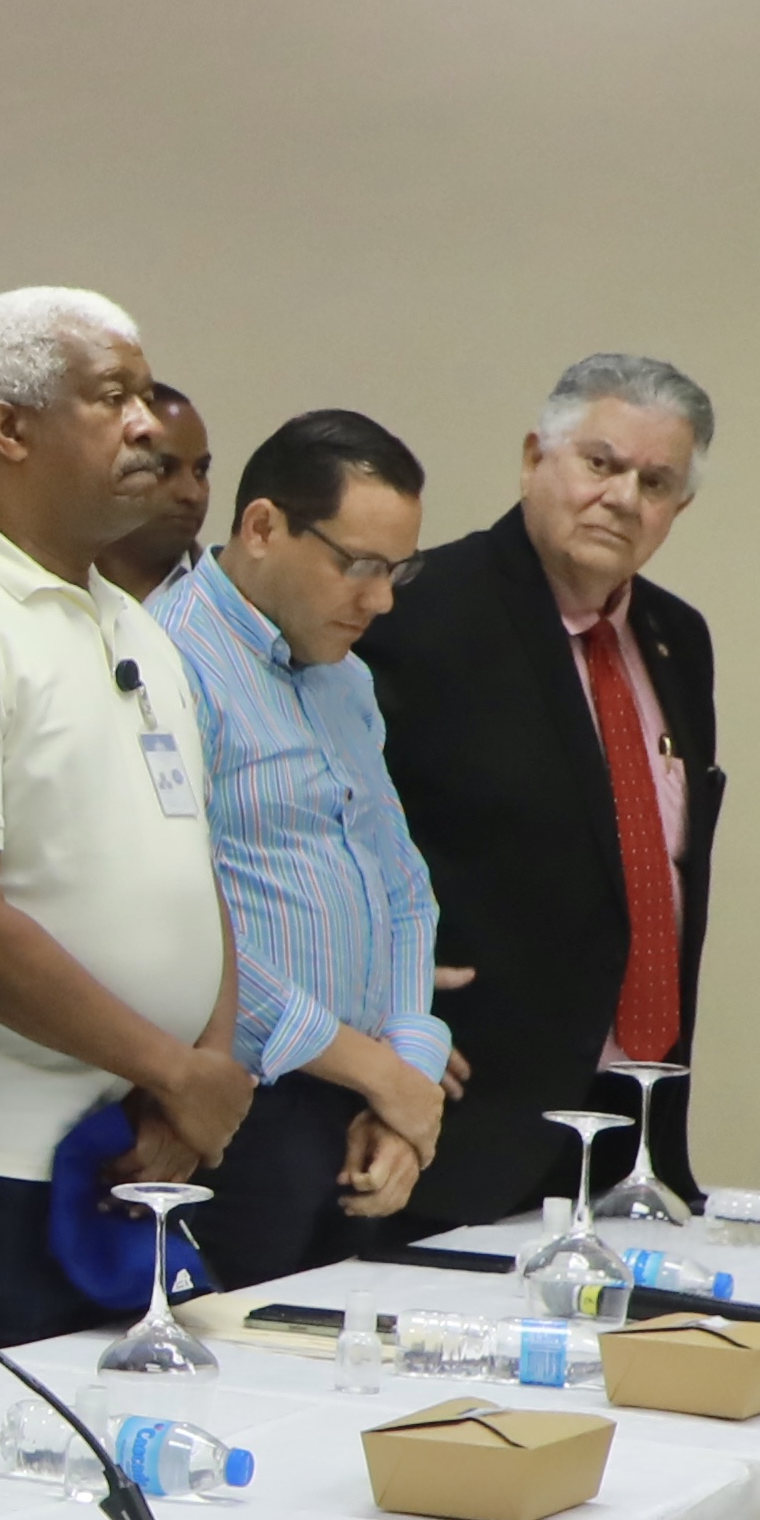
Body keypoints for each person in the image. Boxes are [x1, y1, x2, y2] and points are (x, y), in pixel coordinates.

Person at [0, 289, 239, 1357]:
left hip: (145, 1150)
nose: (148, 426)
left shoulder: (136, 625)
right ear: (10, 429)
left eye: (146, 395)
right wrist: (175, 1071)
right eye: (112, 397)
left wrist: (198, 1077)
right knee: (6, 1451)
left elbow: (191, 868)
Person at [365, 351, 721, 1228]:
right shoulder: (416, 614)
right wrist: (373, 1007)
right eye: (600, 463)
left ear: (678, 508)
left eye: (655, 482)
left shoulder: (678, 637)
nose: (623, 498)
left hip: (635, 1119)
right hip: (467, 1118)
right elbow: (339, 838)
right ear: (534, 459)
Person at [159, 411, 464, 1285]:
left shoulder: (345, 678)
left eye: (397, 569)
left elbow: (402, 887)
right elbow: (177, 925)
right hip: (236, 1110)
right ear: (262, 526)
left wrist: (404, 1074)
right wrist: (378, 1071)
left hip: (355, 1107)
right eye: (358, 565)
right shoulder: (168, 659)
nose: (382, 600)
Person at [103, 380, 213, 598]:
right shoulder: (45, 585)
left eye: (200, 471)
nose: (192, 494)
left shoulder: (231, 603)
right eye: (164, 469)